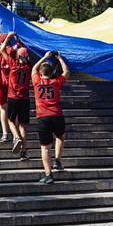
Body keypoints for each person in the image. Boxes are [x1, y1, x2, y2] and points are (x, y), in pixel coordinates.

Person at [32, 51, 70, 184]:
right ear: (52, 72)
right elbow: (66, 71)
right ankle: (58, 160)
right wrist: (59, 58)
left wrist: (45, 57)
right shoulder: (56, 82)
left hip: (42, 117)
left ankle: (48, 174)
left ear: (41, 73)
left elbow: (34, 69)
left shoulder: (37, 81)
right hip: (57, 114)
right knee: (60, 136)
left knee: (45, 147)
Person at [0, 31, 32, 161]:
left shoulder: (13, 64)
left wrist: (9, 37)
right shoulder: (29, 67)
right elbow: (25, 54)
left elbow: (2, 49)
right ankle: (24, 152)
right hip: (25, 98)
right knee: (23, 125)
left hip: (13, 96)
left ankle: (16, 136)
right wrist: (20, 41)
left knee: (11, 120)